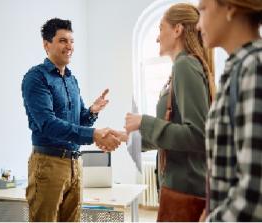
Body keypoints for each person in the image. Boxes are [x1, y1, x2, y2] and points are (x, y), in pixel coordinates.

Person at [21, 17, 122, 221]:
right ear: (46, 44)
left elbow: (78, 123)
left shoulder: (71, 79)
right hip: (48, 164)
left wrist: (92, 111)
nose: (69, 46)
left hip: (75, 164)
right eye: (62, 41)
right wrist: (93, 134)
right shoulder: (36, 78)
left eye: (71, 41)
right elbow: (48, 124)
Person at [122, 3, 214, 221]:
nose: (157, 37)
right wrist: (133, 139)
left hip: (185, 190)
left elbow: (197, 135)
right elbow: (178, 133)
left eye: (160, 28)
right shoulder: (183, 68)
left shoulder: (185, 65)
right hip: (183, 187)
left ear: (177, 29)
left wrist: (143, 122)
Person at [198, 0, 262, 221]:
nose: (198, 25)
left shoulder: (254, 68)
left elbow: (254, 193)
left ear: (230, 7)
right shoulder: (238, 68)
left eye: (203, 9)